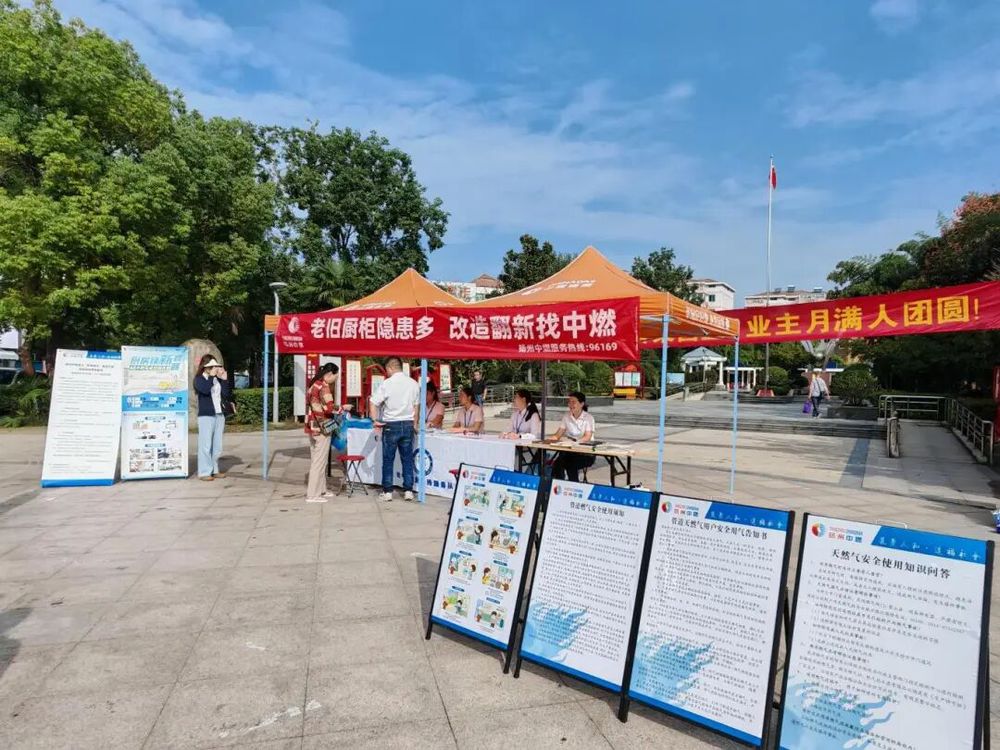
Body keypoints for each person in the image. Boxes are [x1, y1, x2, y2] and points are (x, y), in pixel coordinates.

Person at [370, 356, 419, 502]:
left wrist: (375, 420)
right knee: (407, 459)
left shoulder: (387, 384)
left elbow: (373, 402)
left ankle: (388, 492)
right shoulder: (413, 383)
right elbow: (416, 406)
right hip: (408, 423)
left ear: (390, 368)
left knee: (388, 459)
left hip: (391, 425)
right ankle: (408, 490)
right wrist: (415, 424)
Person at [305, 362, 340, 503]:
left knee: (318, 460)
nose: (335, 380)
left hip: (312, 426)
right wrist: (343, 408)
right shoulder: (324, 387)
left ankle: (321, 490)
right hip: (322, 428)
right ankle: (312, 495)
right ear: (330, 374)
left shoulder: (313, 385)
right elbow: (329, 408)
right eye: (335, 377)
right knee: (319, 462)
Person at [193, 355, 231, 481]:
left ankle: (214, 470)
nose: (214, 368)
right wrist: (211, 377)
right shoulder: (199, 379)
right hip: (206, 416)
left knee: (217, 445)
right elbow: (204, 390)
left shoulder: (216, 380)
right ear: (205, 367)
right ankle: (204, 472)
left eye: (215, 366)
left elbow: (226, 394)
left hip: (219, 414)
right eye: (211, 366)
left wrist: (224, 380)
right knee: (205, 445)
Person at [550, 391, 596, 482]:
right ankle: (559, 485)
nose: (570, 405)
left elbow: (587, 437)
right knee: (557, 464)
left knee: (570, 464)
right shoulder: (566, 417)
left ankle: (574, 486)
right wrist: (549, 440)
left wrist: (574, 443)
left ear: (582, 404)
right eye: (569, 402)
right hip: (569, 452)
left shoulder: (588, 418)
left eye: (573, 402)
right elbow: (558, 434)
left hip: (585, 453)